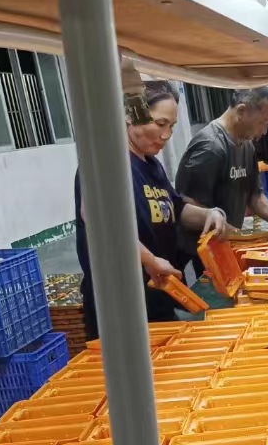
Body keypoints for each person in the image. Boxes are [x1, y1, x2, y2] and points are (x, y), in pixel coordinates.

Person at [74, 80, 226, 341]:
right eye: (159, 123)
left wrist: (210, 213)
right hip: (120, 307)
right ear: (130, 117)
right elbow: (98, 221)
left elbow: (175, 208)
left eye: (172, 126)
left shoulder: (152, 165)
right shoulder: (104, 160)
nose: (166, 135)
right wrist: (150, 260)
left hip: (158, 298)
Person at [175, 87, 268, 251]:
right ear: (241, 111)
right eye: (262, 123)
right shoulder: (211, 147)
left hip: (231, 245)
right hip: (207, 251)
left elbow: (254, 195)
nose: (264, 131)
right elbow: (188, 207)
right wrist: (240, 238)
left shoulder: (247, 146)